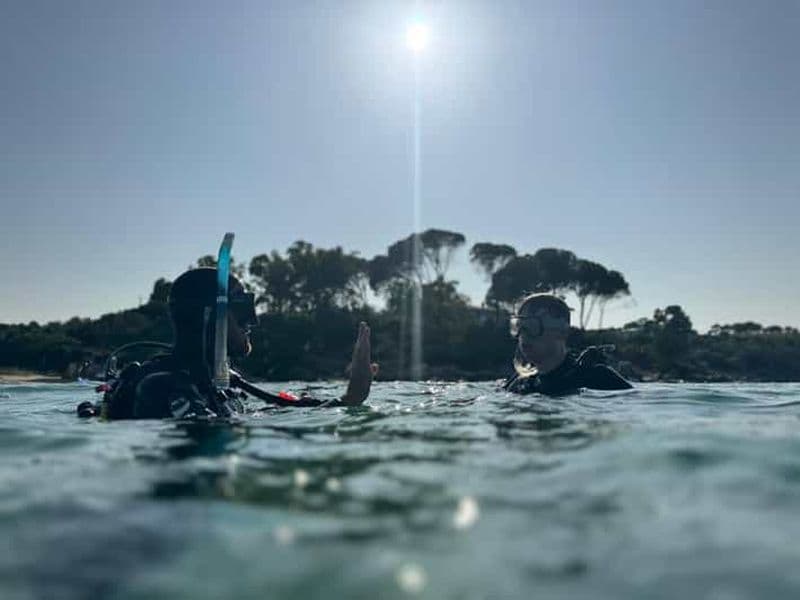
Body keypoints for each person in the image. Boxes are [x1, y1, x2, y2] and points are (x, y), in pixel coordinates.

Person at [78, 267, 376, 419]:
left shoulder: (223, 382)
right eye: (243, 310)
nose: (252, 322)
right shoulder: (163, 387)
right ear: (209, 316)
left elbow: (288, 408)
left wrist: (353, 394)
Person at [503, 293, 631, 396]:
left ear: (562, 332)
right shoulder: (520, 384)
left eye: (531, 326)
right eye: (518, 326)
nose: (523, 335)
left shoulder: (598, 377)